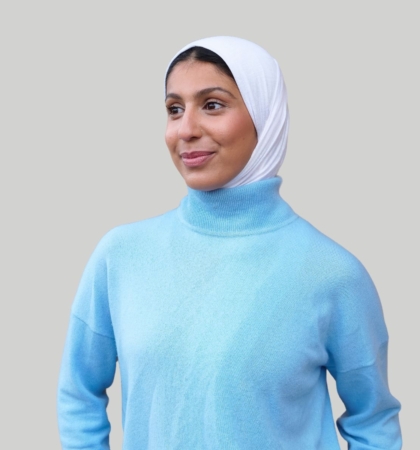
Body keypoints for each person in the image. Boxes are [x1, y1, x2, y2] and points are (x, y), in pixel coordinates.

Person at [57, 36, 402, 449]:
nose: (186, 129)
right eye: (174, 109)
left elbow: (374, 419)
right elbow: (79, 390)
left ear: (264, 115)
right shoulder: (120, 256)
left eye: (213, 105)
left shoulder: (333, 273)